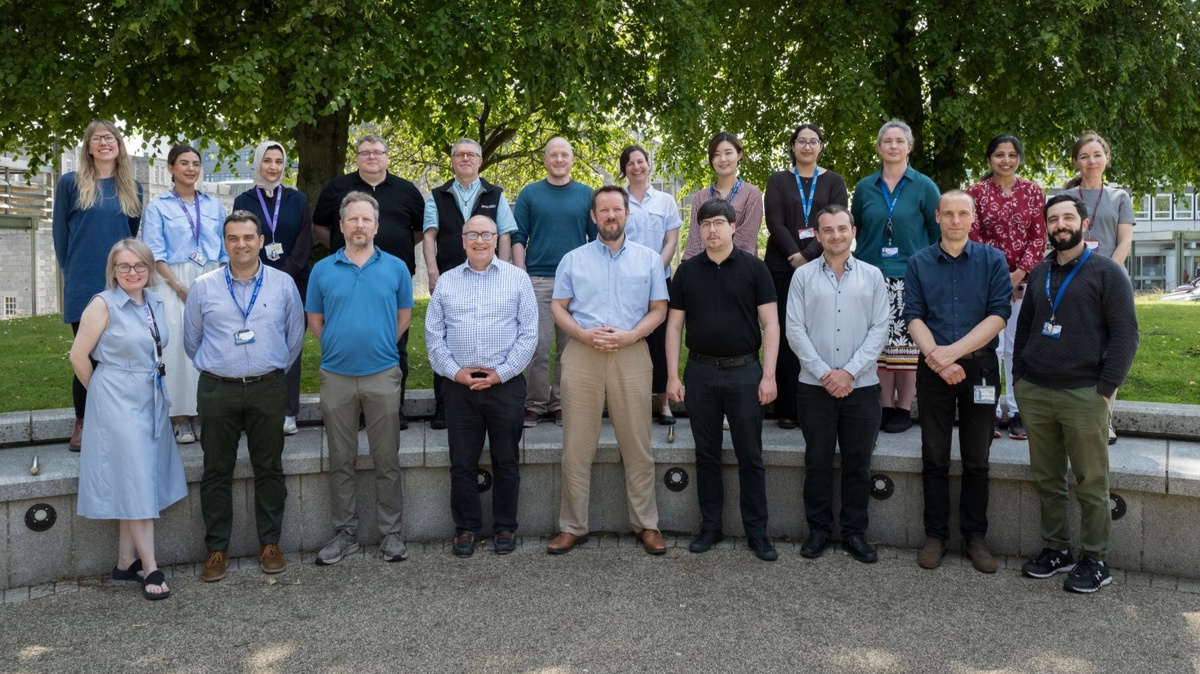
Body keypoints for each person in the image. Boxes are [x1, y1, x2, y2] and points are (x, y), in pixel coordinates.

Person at [1013, 193, 1139, 594]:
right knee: (1047, 478)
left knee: (1090, 481)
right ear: (1047, 226)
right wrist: (1019, 378)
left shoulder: (1106, 272)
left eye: (1068, 217)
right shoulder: (1038, 273)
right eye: (1053, 219)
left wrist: (1105, 391)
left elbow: (1125, 335)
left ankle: (1095, 559)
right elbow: (1024, 330)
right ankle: (1056, 550)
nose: (1060, 224)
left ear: (1084, 224)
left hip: (1084, 393)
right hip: (1036, 391)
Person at [546, 186, 669, 555]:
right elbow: (558, 307)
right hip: (582, 354)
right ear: (594, 216)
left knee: (637, 444)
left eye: (617, 209)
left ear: (627, 215)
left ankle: (647, 524)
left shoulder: (649, 260)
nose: (611, 215)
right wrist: (581, 333)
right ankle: (572, 527)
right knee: (576, 447)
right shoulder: (573, 259)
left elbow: (659, 309)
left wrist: (632, 335)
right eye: (604, 210)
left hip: (632, 353)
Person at [184, 211, 305, 582]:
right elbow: (192, 341)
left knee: (269, 467)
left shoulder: (283, 284)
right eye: (233, 238)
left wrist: (271, 370)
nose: (241, 244)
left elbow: (294, 335)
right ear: (225, 243)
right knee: (216, 470)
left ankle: (270, 543)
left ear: (261, 241)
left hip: (268, 387)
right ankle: (217, 549)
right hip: (218, 388)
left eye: (248, 237)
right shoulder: (203, 287)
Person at [70, 239, 187, 600]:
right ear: (113, 270)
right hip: (117, 400)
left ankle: (125, 561)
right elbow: (78, 356)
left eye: (139, 266)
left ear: (150, 269)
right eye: (124, 266)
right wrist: (103, 396)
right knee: (136, 481)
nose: (132, 272)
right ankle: (150, 568)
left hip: (148, 396)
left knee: (135, 477)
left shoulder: (152, 300)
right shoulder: (102, 304)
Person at [665, 198, 780, 562]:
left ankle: (757, 532)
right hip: (699, 373)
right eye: (705, 224)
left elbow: (772, 326)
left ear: (734, 227)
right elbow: (674, 327)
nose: (712, 230)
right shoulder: (686, 273)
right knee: (706, 454)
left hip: (745, 372)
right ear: (698, 231)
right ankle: (711, 526)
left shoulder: (755, 269)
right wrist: (671, 375)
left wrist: (769, 375)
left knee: (751, 455)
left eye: (719, 223)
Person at [903, 191, 1011, 573]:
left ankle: (975, 537)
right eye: (947, 213)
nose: (954, 219)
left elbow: (999, 315)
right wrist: (938, 358)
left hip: (979, 369)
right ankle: (935, 535)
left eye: (962, 213)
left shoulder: (993, 260)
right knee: (933, 456)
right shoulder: (918, 262)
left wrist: (952, 354)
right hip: (933, 371)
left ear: (973, 216)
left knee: (977, 459)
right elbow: (912, 316)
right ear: (936, 216)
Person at [308, 191, 413, 566]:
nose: (359, 225)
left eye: (366, 219)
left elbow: (404, 315)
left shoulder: (397, 267)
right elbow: (315, 321)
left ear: (376, 226)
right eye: (352, 219)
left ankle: (392, 534)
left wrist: (382, 344)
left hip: (383, 373)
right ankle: (345, 534)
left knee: (387, 459)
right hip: (336, 377)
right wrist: (338, 346)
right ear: (341, 225)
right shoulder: (322, 270)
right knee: (341, 460)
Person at [426, 215, 538, 557]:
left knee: (506, 460)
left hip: (504, 384)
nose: (479, 240)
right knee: (462, 462)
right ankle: (466, 529)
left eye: (486, 234)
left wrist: (501, 373)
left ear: (496, 240)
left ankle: (505, 526)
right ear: (462, 241)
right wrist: (454, 372)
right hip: (459, 385)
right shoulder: (446, 282)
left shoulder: (517, 280)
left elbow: (529, 334)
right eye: (472, 234)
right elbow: (434, 337)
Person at [786, 205, 888, 563]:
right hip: (814, 387)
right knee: (816, 461)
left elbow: (880, 330)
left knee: (858, 463)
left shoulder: (873, 276)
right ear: (817, 234)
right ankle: (818, 531)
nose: (835, 235)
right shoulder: (802, 277)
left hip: (861, 387)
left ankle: (855, 533)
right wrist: (825, 373)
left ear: (853, 231)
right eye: (827, 230)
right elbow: (794, 330)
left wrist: (849, 373)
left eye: (842, 228)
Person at [313, 135, 423, 430]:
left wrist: (390, 256)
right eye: (365, 152)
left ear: (387, 156)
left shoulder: (407, 190)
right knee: (348, 339)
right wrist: (347, 248)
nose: (372, 157)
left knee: (396, 345)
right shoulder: (337, 188)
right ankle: (353, 413)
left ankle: (392, 410)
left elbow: (420, 230)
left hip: (391, 279)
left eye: (378, 152)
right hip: (346, 274)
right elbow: (320, 225)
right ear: (357, 157)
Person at [53, 119, 144, 451]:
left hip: (119, 282)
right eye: (97, 138)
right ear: (88, 147)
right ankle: (84, 421)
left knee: (118, 353)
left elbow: (129, 235)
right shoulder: (70, 183)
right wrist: (72, 272)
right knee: (86, 353)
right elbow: (60, 236)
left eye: (110, 138)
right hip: (83, 281)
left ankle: (117, 417)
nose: (104, 143)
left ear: (119, 145)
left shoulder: (133, 188)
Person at [422, 138, 518, 429]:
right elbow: (428, 237)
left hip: (488, 276)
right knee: (446, 337)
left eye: (471, 155)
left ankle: (491, 395)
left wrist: (502, 270)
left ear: (479, 161)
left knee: (487, 332)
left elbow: (504, 235)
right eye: (459, 154)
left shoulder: (496, 194)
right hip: (452, 277)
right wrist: (433, 274)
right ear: (452, 160)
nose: (465, 158)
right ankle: (444, 405)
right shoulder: (436, 196)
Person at [852, 120, 940, 434]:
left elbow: (935, 231)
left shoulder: (924, 186)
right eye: (887, 141)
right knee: (880, 345)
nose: (892, 146)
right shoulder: (865, 187)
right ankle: (885, 405)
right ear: (878, 148)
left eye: (899, 141)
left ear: (909, 147)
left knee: (907, 345)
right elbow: (858, 226)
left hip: (911, 275)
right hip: (871, 275)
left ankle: (903, 408)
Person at [763, 123, 849, 429]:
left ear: (821, 146)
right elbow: (774, 222)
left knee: (820, 332)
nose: (807, 146)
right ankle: (786, 406)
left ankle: (819, 402)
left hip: (824, 265)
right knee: (788, 333)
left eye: (814, 141)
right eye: (802, 141)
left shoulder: (834, 181)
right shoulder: (778, 181)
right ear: (793, 146)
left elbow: (836, 221)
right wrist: (795, 258)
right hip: (781, 267)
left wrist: (809, 255)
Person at [142, 144, 228, 445]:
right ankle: (180, 417)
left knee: (211, 345)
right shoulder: (158, 207)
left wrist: (218, 283)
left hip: (211, 280)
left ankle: (205, 411)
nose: (190, 169)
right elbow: (154, 253)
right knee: (178, 348)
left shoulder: (214, 207)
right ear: (170, 168)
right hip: (172, 283)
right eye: (183, 163)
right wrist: (180, 288)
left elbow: (222, 250)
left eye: (195, 163)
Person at [966, 135, 1046, 442]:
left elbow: (1038, 237)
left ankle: (1016, 411)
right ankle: (986, 411)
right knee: (989, 348)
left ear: (1019, 158)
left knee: (1018, 347)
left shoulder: (1032, 191)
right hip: (987, 282)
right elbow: (974, 237)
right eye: (999, 154)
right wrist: (1002, 278)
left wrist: (1018, 275)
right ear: (989, 158)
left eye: (1012, 155)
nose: (1006, 160)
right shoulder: (976, 192)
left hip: (1026, 283)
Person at [512, 137, 595, 428]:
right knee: (537, 345)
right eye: (553, 155)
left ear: (572, 159)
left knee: (569, 348)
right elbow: (518, 236)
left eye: (564, 155)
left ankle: (561, 402)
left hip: (576, 283)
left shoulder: (586, 194)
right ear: (545, 160)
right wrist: (521, 273)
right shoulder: (530, 194)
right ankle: (535, 403)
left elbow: (595, 240)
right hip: (539, 279)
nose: (559, 159)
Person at [1061, 131, 1136, 446]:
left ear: (1106, 158)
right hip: (1073, 283)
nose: (1090, 161)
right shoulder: (1064, 197)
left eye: (1096, 155)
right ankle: (1073, 419)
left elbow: (1125, 241)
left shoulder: (1120, 196)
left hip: (1111, 283)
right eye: (1083, 156)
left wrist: (1109, 275)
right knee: (1073, 351)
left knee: (1111, 352)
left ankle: (1102, 421)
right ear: (1076, 161)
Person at [234, 141, 314, 436]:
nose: (273, 166)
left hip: (295, 281)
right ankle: (255, 410)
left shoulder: (297, 199)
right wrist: (264, 273)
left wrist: (285, 274)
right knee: (256, 343)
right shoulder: (243, 201)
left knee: (290, 344)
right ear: (257, 164)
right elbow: (240, 241)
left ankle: (288, 411)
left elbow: (305, 240)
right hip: (254, 280)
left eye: (279, 161)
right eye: (267, 160)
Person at [620, 144, 683, 425]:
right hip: (625, 281)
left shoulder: (665, 201)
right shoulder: (617, 201)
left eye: (641, 161)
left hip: (659, 279)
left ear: (648, 165)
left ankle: (663, 403)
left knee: (659, 341)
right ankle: (630, 403)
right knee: (630, 339)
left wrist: (657, 268)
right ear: (624, 169)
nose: (636, 167)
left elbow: (671, 239)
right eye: (630, 163)